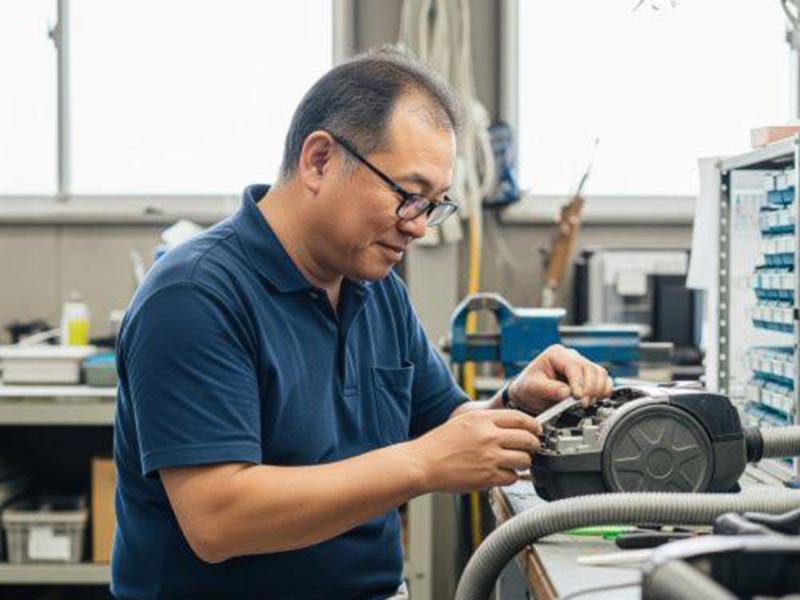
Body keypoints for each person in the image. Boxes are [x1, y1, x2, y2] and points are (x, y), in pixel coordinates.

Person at [111, 47, 612, 600]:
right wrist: (423, 463)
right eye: (409, 196)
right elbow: (217, 519)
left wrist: (516, 406)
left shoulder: (376, 290)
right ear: (320, 160)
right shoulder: (195, 296)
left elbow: (442, 429)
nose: (419, 227)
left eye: (433, 205)